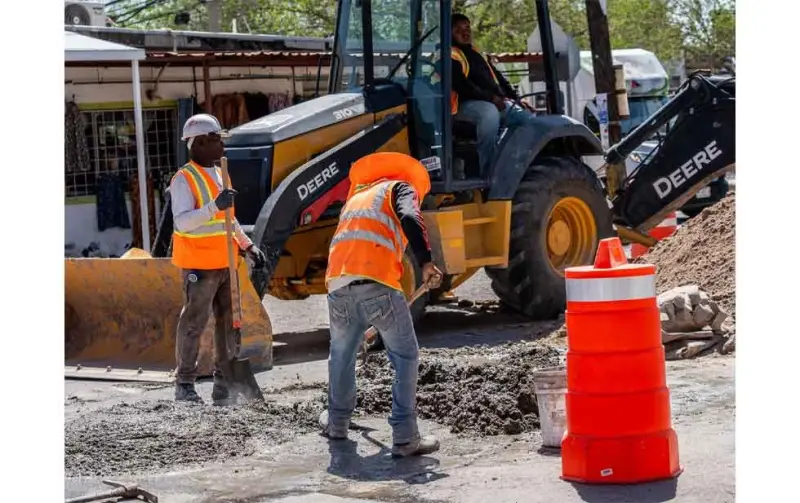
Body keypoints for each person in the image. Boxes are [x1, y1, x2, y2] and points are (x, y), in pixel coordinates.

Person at [320, 152, 443, 457]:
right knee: (405, 356)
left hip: (338, 284)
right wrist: (426, 262)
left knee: (342, 355)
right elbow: (411, 217)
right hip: (378, 283)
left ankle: (336, 423)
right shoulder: (399, 189)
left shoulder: (358, 196)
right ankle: (405, 436)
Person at [170, 113, 267, 404]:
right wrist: (215, 205)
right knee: (194, 323)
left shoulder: (221, 173)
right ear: (198, 143)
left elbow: (229, 219)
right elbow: (183, 222)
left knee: (228, 324)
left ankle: (223, 383)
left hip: (226, 263)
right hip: (199, 266)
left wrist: (247, 245)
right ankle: (184, 384)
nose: (221, 146)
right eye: (215, 140)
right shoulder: (183, 179)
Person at [449, 13, 537, 176]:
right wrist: (491, 99)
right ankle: (488, 171)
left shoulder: (476, 53)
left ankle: (515, 164)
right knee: (489, 114)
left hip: (492, 101)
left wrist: (517, 100)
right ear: (449, 34)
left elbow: (499, 80)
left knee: (526, 119)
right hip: (461, 107)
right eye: (458, 30)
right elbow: (461, 85)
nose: (465, 32)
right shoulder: (451, 55)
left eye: (467, 27)